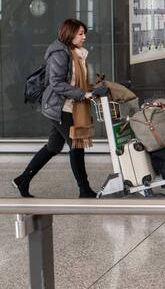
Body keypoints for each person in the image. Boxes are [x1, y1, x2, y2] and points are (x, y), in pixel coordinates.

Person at [12, 19, 103, 198]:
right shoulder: (60, 53)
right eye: (80, 33)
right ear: (70, 34)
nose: (84, 37)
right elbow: (56, 83)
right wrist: (82, 94)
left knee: (53, 147)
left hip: (70, 105)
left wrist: (92, 89)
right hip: (59, 106)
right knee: (76, 145)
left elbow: (75, 81)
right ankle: (84, 189)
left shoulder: (77, 53)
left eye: (84, 33)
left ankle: (23, 179)